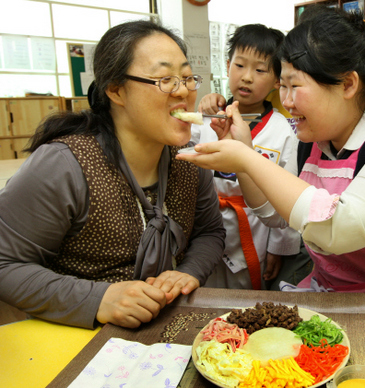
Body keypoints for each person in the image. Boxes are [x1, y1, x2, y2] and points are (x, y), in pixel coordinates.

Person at [177, 4, 365, 293]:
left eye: (294, 85)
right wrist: (244, 152)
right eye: (282, 86)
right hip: (330, 294)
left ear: (347, 84)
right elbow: (277, 215)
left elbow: (341, 229)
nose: (285, 101)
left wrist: (249, 160)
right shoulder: (313, 139)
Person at [0, 20, 226, 329]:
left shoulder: (190, 158)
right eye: (165, 80)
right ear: (116, 90)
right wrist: (98, 299)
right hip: (76, 337)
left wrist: (188, 272)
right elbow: (5, 263)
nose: (184, 92)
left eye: (187, 78)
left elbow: (209, 233)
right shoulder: (64, 166)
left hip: (166, 330)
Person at [192, 24, 301, 290]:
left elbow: (289, 194)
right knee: (206, 289)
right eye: (239, 65)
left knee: (250, 296)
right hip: (208, 223)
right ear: (228, 65)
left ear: (278, 80)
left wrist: (280, 248)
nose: (247, 77)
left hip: (258, 228)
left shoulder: (285, 131)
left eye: (260, 70)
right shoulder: (206, 120)